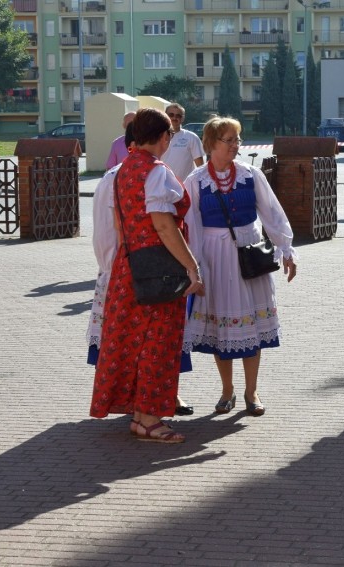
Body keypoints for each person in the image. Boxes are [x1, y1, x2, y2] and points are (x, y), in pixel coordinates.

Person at [89, 108, 205, 443]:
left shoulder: (123, 170)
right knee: (158, 342)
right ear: (164, 135)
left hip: (131, 267)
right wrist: (191, 266)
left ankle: (141, 417)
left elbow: (119, 227)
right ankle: (151, 417)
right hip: (159, 267)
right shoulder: (157, 171)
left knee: (134, 341)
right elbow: (164, 226)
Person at [183, 116, 298, 417]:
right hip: (214, 258)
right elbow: (191, 227)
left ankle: (251, 390)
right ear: (211, 143)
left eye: (237, 139)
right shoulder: (195, 181)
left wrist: (286, 249)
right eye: (230, 140)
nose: (236, 145)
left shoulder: (250, 174)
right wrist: (194, 267)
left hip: (249, 256)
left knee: (253, 325)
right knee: (222, 327)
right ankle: (227, 390)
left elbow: (272, 212)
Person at [161, 103, 205, 181]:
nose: (174, 118)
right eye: (171, 115)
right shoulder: (156, 137)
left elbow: (201, 168)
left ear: (183, 118)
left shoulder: (191, 137)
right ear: (165, 115)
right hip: (162, 187)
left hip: (185, 188)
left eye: (178, 116)